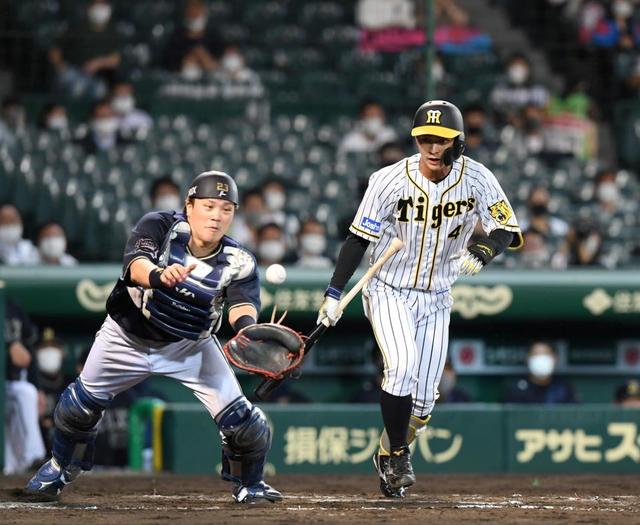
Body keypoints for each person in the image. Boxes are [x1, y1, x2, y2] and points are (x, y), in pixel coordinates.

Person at [26, 171, 282, 503]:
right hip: (126, 337)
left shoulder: (239, 260)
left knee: (245, 424)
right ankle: (59, 466)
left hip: (190, 345)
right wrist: (160, 276)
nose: (217, 216)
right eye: (208, 206)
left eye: (226, 209)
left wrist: (250, 331)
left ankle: (251, 484)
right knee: (76, 409)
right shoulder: (159, 226)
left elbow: (241, 306)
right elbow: (136, 267)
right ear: (189, 206)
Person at [318, 100, 522, 498]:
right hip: (389, 288)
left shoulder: (477, 178)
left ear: (457, 143)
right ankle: (397, 455)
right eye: (425, 138)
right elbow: (358, 238)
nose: (431, 147)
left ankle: (385, 452)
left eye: (441, 140)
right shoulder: (388, 179)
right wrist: (333, 292)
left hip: (437, 295)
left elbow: (507, 228)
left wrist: (484, 250)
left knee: (425, 401)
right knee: (402, 367)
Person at [4, 299, 46, 474]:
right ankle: (31, 458)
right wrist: (8, 345)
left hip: (8, 382)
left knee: (26, 392)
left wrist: (38, 388)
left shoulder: (12, 307)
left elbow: (29, 351)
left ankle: (32, 458)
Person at [48, 0, 122, 98]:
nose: (100, 10)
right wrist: (61, 67)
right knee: (77, 87)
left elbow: (116, 59)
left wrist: (97, 63)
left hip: (97, 76)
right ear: (89, 9)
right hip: (72, 71)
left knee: (100, 91)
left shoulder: (113, 31)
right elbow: (55, 49)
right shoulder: (76, 27)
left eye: (103, 6)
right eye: (97, 6)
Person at [163, 0, 226, 79]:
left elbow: (221, 56)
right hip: (183, 74)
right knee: (190, 73)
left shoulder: (213, 33)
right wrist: (191, 57)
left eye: (197, 7)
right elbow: (170, 61)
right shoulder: (177, 34)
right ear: (186, 11)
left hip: (212, 72)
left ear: (204, 10)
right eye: (191, 7)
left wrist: (204, 58)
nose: (194, 11)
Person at [504, 341, 576, 404]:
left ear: (555, 359)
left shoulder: (563, 388)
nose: (541, 358)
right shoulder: (517, 389)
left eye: (545, 354)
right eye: (536, 354)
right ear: (527, 358)